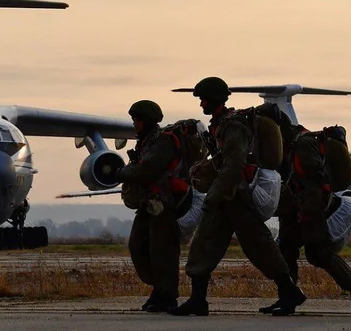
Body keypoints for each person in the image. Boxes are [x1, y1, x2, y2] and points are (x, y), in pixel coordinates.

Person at [168, 77, 307, 317]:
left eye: (204, 99)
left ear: (214, 99)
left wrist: (213, 194)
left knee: (260, 246)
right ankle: (197, 300)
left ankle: (289, 291)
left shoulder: (234, 126)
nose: (201, 104)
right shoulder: (221, 124)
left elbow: (234, 164)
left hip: (236, 196)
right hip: (226, 197)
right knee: (203, 245)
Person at [272, 122, 351, 315]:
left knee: (317, 253)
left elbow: (315, 180)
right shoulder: (293, 145)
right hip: (298, 206)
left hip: (311, 207)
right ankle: (287, 299)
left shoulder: (303, 145)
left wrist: (308, 211)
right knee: (286, 250)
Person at [116, 100, 182, 313]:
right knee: (138, 246)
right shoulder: (145, 143)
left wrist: (121, 173)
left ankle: (167, 295)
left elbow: (149, 170)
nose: (134, 125)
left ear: (145, 121)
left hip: (162, 205)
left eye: (136, 120)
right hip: (148, 204)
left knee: (163, 251)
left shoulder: (162, 142)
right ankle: (159, 289)